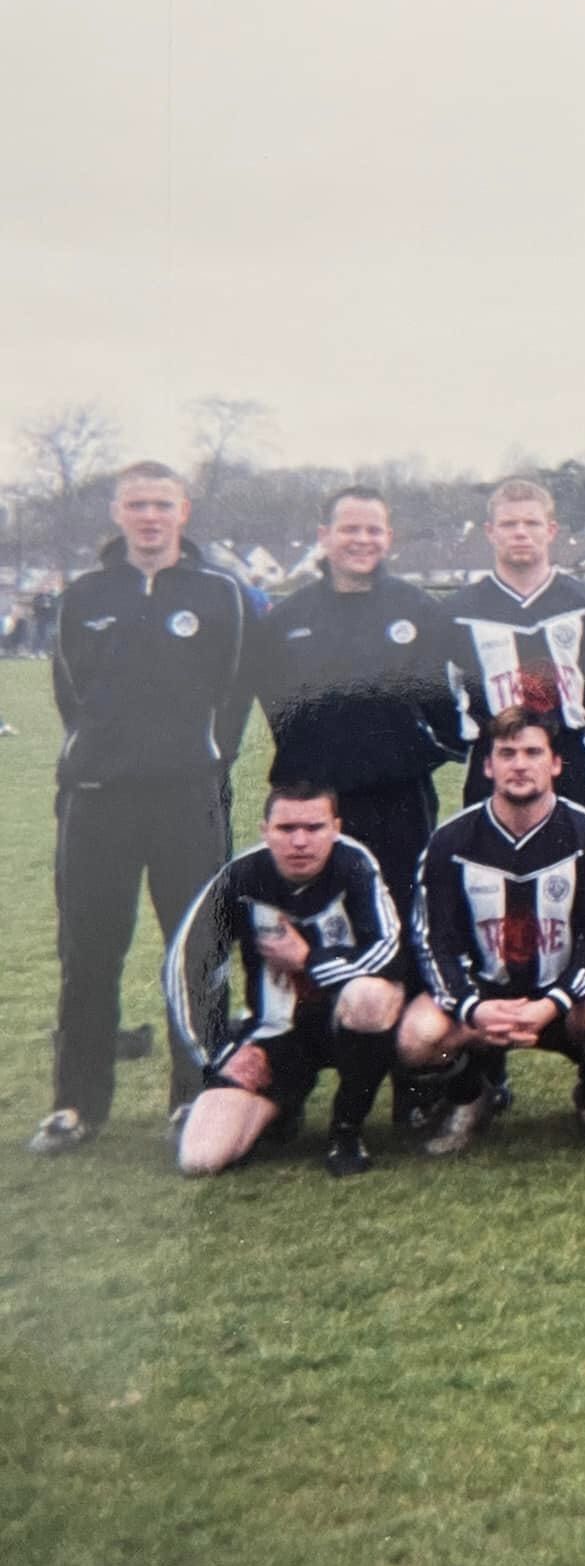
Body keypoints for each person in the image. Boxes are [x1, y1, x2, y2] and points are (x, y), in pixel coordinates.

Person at [30, 461, 248, 1154]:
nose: (149, 517)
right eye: (136, 505)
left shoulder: (221, 594)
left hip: (188, 796)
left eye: (162, 504)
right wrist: (104, 755)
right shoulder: (84, 595)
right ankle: (76, 1103)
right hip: (97, 800)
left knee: (198, 947)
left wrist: (203, 761)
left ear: (184, 511)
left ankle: (196, 1097)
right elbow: (71, 692)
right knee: (88, 952)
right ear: (117, 513)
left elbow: (235, 694)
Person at [400, 706, 585, 1155]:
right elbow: (434, 942)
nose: (519, 764)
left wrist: (554, 1003)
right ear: (487, 765)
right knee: (418, 1033)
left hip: (564, 1002)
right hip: (485, 1002)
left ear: (555, 763)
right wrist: (473, 1009)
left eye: (533, 752)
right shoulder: (451, 842)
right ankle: (471, 1099)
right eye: (506, 753)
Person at [245, 485, 463, 956]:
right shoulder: (287, 619)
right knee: (322, 915)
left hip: (400, 795)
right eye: (349, 529)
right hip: (318, 801)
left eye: (373, 529)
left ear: (389, 536)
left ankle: (403, 1016)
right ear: (324, 536)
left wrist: (413, 749)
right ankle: (321, 1019)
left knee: (405, 908)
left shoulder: (419, 610)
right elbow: (275, 702)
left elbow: (443, 702)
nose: (361, 540)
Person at [165, 784, 403, 1178]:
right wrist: (220, 1056)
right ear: (265, 830)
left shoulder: (355, 865)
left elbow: (388, 950)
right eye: (286, 828)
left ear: (336, 828)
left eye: (314, 827)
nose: (299, 841)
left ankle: (347, 1130)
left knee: (370, 998)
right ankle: (282, 1105)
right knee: (200, 1159)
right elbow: (184, 967)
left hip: (343, 1021)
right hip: (277, 1031)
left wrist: (310, 960)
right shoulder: (240, 878)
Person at [448, 477, 585, 817]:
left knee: (576, 866)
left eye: (531, 523)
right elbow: (435, 695)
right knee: (487, 867)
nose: (521, 532)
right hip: (491, 767)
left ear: (551, 530)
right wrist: (474, 743)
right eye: (509, 524)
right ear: (490, 532)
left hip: (570, 766)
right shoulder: (458, 612)